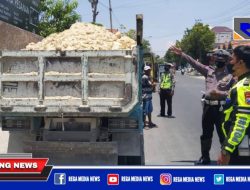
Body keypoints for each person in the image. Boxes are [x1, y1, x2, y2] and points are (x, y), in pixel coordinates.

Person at [170, 46, 235, 165]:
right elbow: (194, 63)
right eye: (217, 58)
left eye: (221, 59)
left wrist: (220, 93)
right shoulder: (208, 71)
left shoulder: (231, 76)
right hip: (208, 108)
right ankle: (205, 157)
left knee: (223, 135)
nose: (218, 60)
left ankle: (226, 159)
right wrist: (182, 54)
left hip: (222, 109)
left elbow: (234, 93)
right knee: (206, 134)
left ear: (226, 61)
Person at [217, 45, 250, 165]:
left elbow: (241, 122)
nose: (229, 63)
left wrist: (226, 150)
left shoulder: (243, 87)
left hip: (242, 145)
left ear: (241, 62)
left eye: (232, 59)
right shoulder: (242, 82)